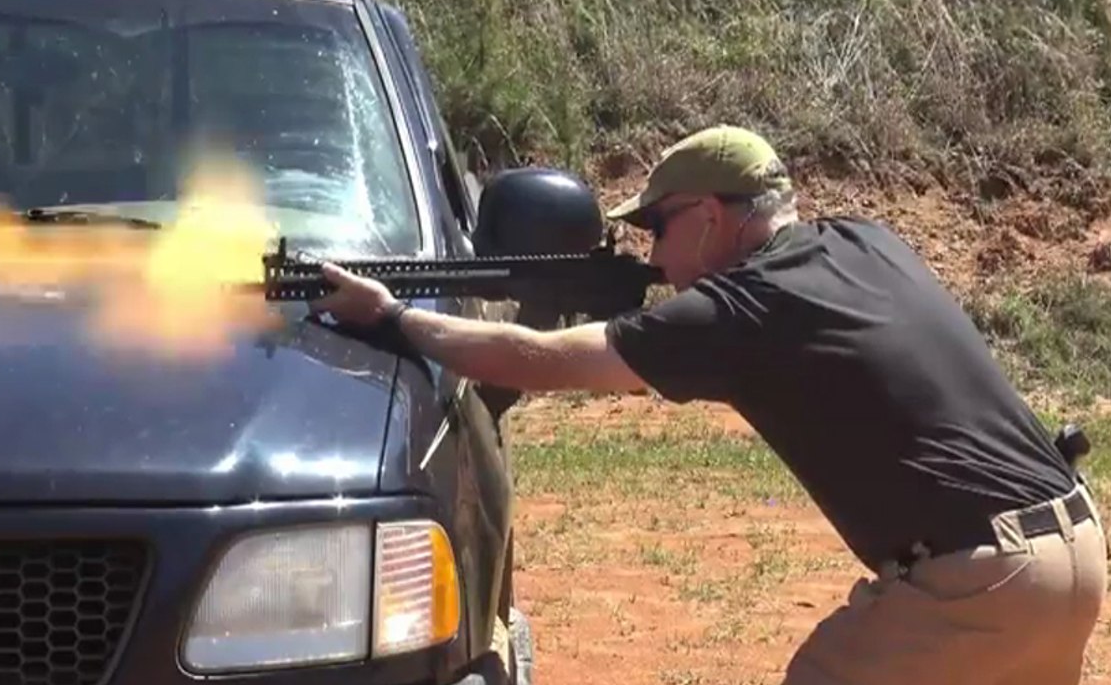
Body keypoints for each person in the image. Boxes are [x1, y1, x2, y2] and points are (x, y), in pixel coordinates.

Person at [310, 124, 1107, 684]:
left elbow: (543, 364)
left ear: (710, 217)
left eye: (658, 225)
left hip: (979, 581)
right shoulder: (865, 240)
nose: (652, 252)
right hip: (1070, 548)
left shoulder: (742, 308)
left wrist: (391, 316)